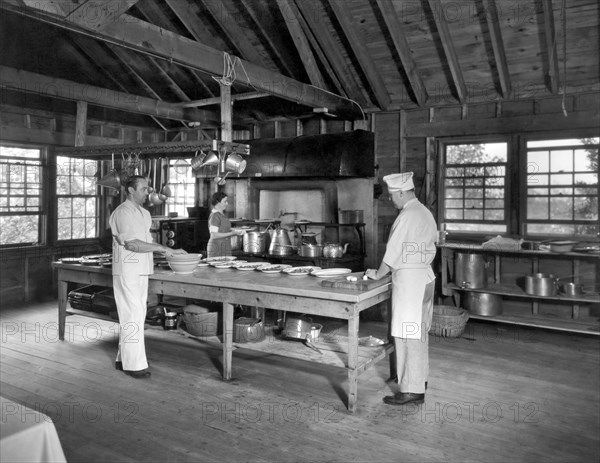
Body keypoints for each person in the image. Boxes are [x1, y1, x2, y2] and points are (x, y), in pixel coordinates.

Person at [365, 172, 438, 405]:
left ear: (402, 193)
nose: (390, 200)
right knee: (418, 332)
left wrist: (377, 274)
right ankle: (418, 379)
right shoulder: (424, 212)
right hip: (425, 277)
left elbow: (393, 254)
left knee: (407, 334)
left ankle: (411, 390)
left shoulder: (407, 216)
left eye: (392, 196)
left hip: (411, 283)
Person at [110, 175, 187, 379]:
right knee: (132, 315)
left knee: (135, 314)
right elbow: (131, 244)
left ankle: (123, 358)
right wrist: (164, 249)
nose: (148, 192)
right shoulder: (122, 213)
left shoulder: (144, 214)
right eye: (144, 189)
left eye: (147, 189)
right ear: (130, 190)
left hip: (142, 269)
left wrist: (167, 252)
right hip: (127, 269)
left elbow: (146, 241)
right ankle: (134, 365)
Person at [207, 191, 244, 258]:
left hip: (225, 247)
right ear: (218, 202)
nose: (227, 203)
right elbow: (214, 235)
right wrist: (232, 233)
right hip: (216, 248)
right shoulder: (215, 216)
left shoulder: (222, 214)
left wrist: (235, 230)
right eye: (225, 201)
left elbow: (223, 228)